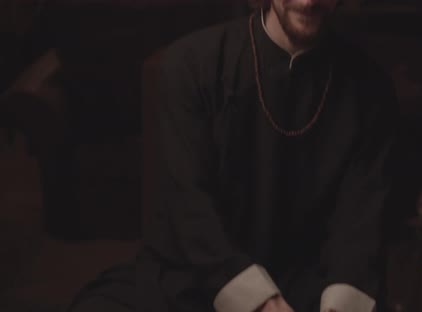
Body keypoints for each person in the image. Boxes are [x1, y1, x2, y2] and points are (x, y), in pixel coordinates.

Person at [68, 0, 399, 311]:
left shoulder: (371, 89)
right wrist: (258, 301)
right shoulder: (191, 64)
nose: (308, 0)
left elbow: (360, 224)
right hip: (197, 276)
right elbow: (189, 208)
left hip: (310, 284)